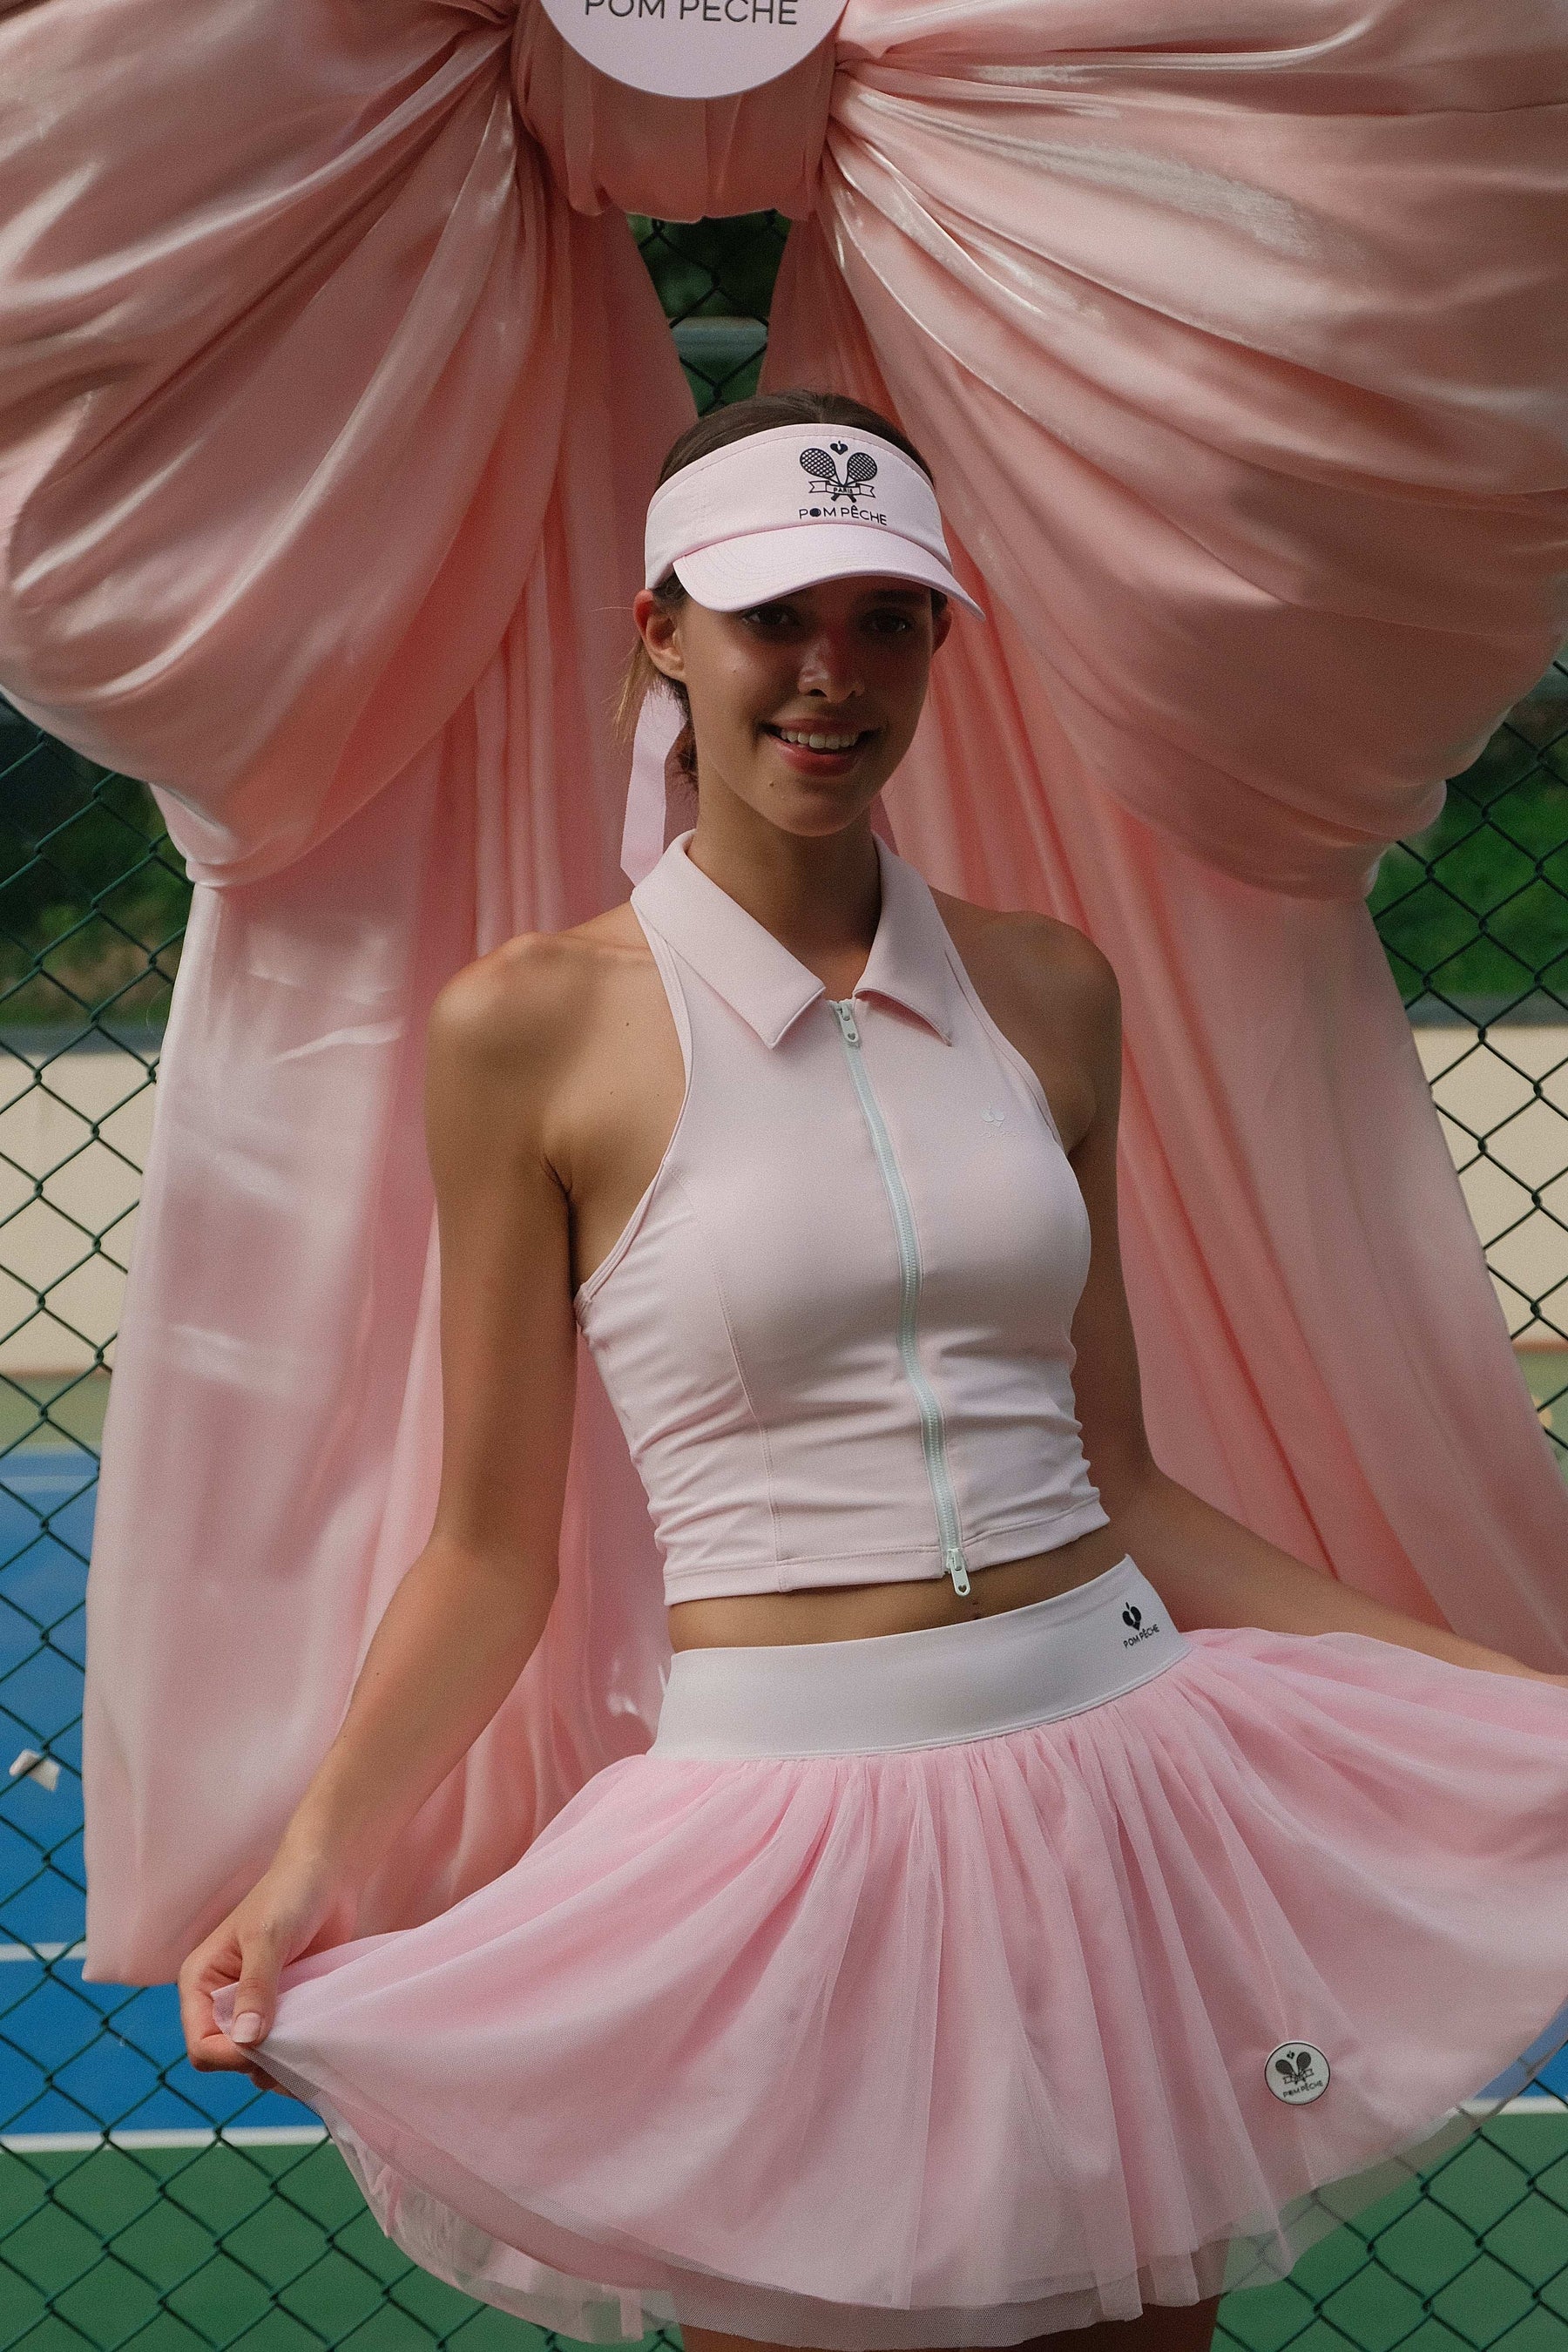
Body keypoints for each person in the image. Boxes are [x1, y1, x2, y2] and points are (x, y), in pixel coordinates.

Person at [177, 389, 1568, 2352]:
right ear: (662, 630)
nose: (831, 677)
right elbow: (494, 1551)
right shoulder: (531, 1029)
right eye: (775, 617)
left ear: (937, 643)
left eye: (886, 619)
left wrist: (1499, 1703)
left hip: (1125, 1795)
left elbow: (1128, 1484)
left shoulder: (1049, 985)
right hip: (787, 1848)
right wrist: (308, 1867)